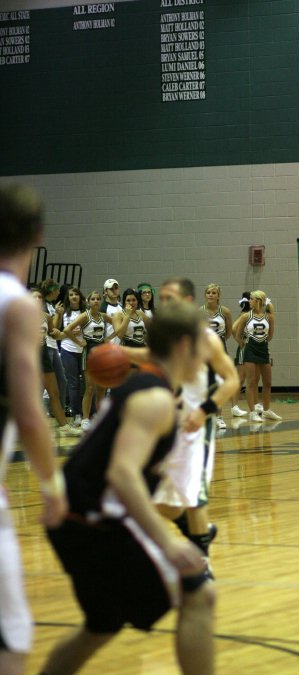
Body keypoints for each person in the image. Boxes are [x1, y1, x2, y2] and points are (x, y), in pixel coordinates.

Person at [39, 302, 215, 675]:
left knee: (101, 625)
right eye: (203, 344)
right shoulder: (153, 398)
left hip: (74, 517)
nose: (209, 353)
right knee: (199, 593)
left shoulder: (152, 390)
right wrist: (168, 542)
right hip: (90, 521)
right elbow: (123, 474)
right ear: (184, 346)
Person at [125, 277, 239, 575]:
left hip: (197, 429)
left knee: (193, 497)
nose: (164, 303)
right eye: (161, 298)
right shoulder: (163, 339)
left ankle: (202, 565)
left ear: (187, 303)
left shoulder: (206, 338)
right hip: (167, 427)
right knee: (157, 500)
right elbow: (150, 357)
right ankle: (197, 532)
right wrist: (118, 353)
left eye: (170, 298)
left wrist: (205, 410)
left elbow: (232, 381)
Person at [0, 184, 67, 675]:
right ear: (38, 236)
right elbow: (29, 411)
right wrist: (51, 484)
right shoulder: (17, 305)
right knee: (14, 638)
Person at [30, 288, 82, 438]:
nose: (37, 300)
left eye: (39, 297)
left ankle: (64, 426)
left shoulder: (46, 316)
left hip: (43, 355)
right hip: (27, 357)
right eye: (33, 297)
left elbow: (55, 335)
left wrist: (69, 332)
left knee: (54, 392)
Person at [62, 290, 113, 431]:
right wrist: (79, 342)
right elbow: (67, 329)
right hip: (89, 352)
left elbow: (117, 322)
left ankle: (100, 416)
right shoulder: (85, 316)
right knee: (90, 388)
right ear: (89, 302)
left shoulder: (103, 316)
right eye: (93, 299)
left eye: (98, 299)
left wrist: (111, 336)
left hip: (102, 352)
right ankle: (85, 418)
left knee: (102, 387)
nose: (96, 301)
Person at [234, 290, 282, 423]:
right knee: (251, 381)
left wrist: (262, 342)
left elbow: (270, 336)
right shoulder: (245, 316)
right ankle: (253, 412)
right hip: (250, 350)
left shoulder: (269, 317)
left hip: (263, 350)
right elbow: (237, 335)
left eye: (251, 299)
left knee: (267, 382)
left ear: (258, 301)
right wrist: (245, 345)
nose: (249, 301)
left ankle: (267, 410)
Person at [200, 284, 233, 430]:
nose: (211, 295)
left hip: (220, 349)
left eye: (214, 293)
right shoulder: (199, 312)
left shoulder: (225, 311)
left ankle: (219, 416)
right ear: (205, 295)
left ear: (218, 296)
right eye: (208, 292)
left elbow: (229, 332)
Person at [59, 286, 86, 425]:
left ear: (80, 297)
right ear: (68, 298)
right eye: (71, 295)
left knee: (88, 382)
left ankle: (90, 412)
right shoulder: (64, 313)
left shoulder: (86, 312)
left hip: (84, 351)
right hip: (68, 349)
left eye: (76, 294)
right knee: (73, 383)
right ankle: (77, 414)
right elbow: (60, 332)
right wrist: (71, 334)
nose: (74, 297)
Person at [40, 278, 67, 410]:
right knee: (42, 384)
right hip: (46, 347)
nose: (59, 292)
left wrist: (58, 314)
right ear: (52, 291)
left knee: (62, 380)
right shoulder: (44, 306)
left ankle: (58, 412)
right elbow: (52, 331)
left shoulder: (51, 305)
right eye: (57, 289)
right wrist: (57, 314)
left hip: (53, 346)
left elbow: (55, 329)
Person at [230, 292, 250, 418]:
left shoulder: (254, 314)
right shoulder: (244, 314)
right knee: (240, 379)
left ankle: (254, 405)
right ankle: (234, 406)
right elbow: (233, 329)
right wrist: (241, 343)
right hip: (245, 349)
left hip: (253, 348)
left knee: (252, 379)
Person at [100, 278, 121, 344]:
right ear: (105, 291)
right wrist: (108, 339)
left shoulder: (121, 307)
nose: (114, 291)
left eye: (116, 288)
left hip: (121, 345)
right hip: (109, 345)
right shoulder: (103, 308)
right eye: (111, 289)